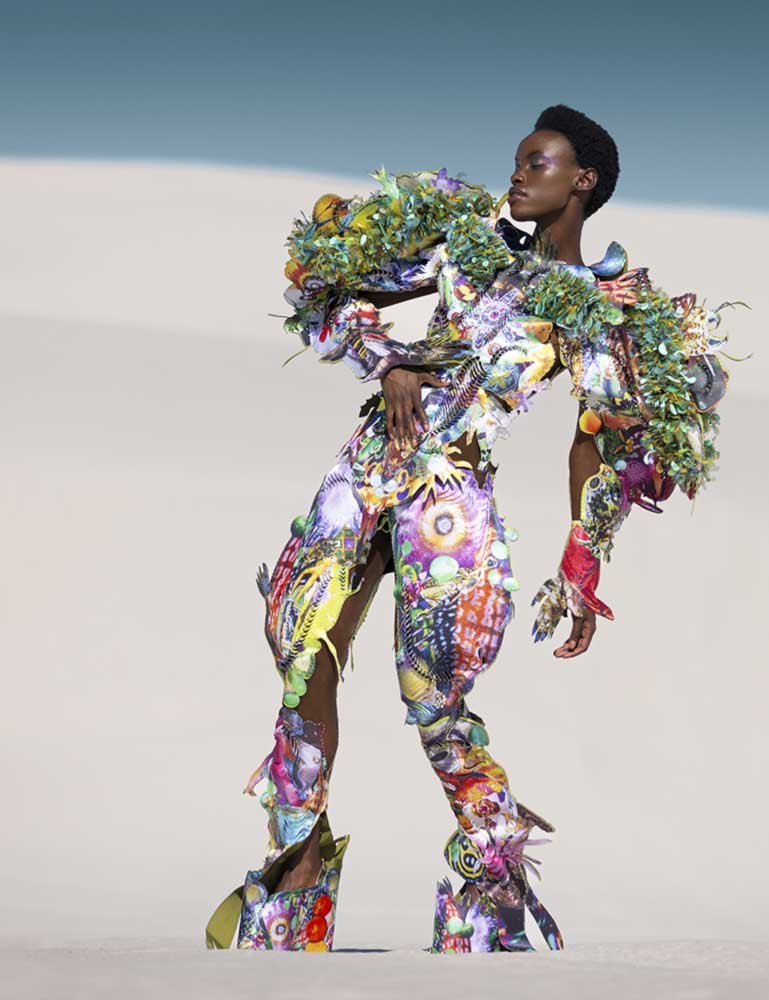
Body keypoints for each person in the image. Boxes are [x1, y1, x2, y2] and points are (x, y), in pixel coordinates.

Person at [205, 104, 739, 954]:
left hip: (450, 502)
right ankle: (296, 870)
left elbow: (599, 435)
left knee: (435, 702)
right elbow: (323, 290)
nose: (519, 175)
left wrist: (582, 560)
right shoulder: (471, 247)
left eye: (540, 163)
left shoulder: (594, 309)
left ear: (583, 181)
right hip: (367, 467)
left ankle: (490, 883)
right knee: (300, 653)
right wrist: (390, 362)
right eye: (520, 160)